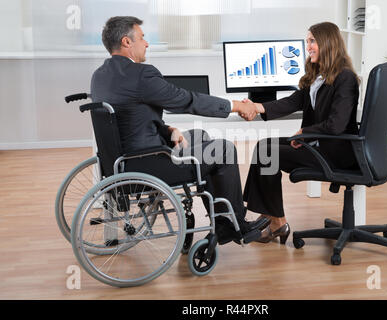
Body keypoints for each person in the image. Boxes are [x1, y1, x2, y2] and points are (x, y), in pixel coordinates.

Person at [90, 16, 269, 245]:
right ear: (127, 41)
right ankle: (236, 225)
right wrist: (236, 106)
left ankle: (223, 221)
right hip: (149, 165)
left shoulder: (100, 76)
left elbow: (127, 118)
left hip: (123, 162)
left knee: (200, 137)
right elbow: (186, 100)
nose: (146, 44)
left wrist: (166, 130)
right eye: (142, 38)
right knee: (223, 150)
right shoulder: (141, 74)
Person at [240, 22, 360, 244]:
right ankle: (272, 219)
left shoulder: (345, 78)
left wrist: (305, 133)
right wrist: (257, 107)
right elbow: (295, 100)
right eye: (307, 42)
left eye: (312, 41)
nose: (308, 47)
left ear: (327, 43)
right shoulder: (319, 74)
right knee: (264, 146)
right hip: (318, 145)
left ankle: (274, 222)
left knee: (269, 153)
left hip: (335, 152)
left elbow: (337, 125)